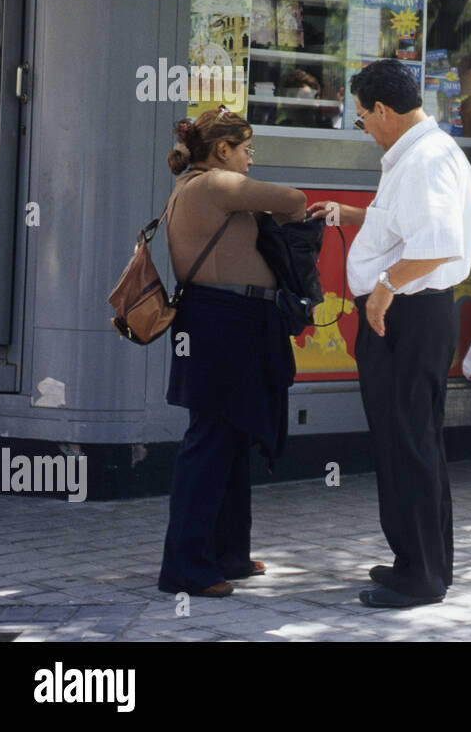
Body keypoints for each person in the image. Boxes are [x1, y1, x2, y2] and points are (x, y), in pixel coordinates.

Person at [308, 58, 471, 609]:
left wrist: (383, 287)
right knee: (410, 439)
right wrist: (352, 217)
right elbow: (402, 226)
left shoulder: (424, 158)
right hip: (412, 309)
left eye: (362, 119)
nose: (364, 129)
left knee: (407, 441)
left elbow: (438, 243)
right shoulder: (420, 152)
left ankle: (421, 575)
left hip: (407, 310)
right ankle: (421, 560)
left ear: (383, 110)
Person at [157, 107, 308, 599]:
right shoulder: (215, 186)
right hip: (223, 321)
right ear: (222, 150)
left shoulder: (196, 188)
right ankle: (185, 567)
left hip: (229, 320)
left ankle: (228, 554)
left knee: (231, 435)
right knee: (212, 439)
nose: (249, 159)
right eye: (246, 149)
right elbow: (294, 199)